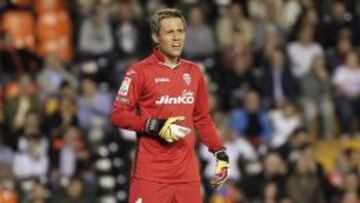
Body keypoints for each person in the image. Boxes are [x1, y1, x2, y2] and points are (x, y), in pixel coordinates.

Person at [110, 8, 229, 203]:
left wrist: (219, 152)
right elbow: (118, 115)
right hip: (151, 176)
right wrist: (155, 126)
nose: (176, 38)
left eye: (180, 31)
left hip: (187, 176)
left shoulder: (194, 72)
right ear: (155, 36)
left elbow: (202, 118)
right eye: (169, 32)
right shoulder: (139, 72)